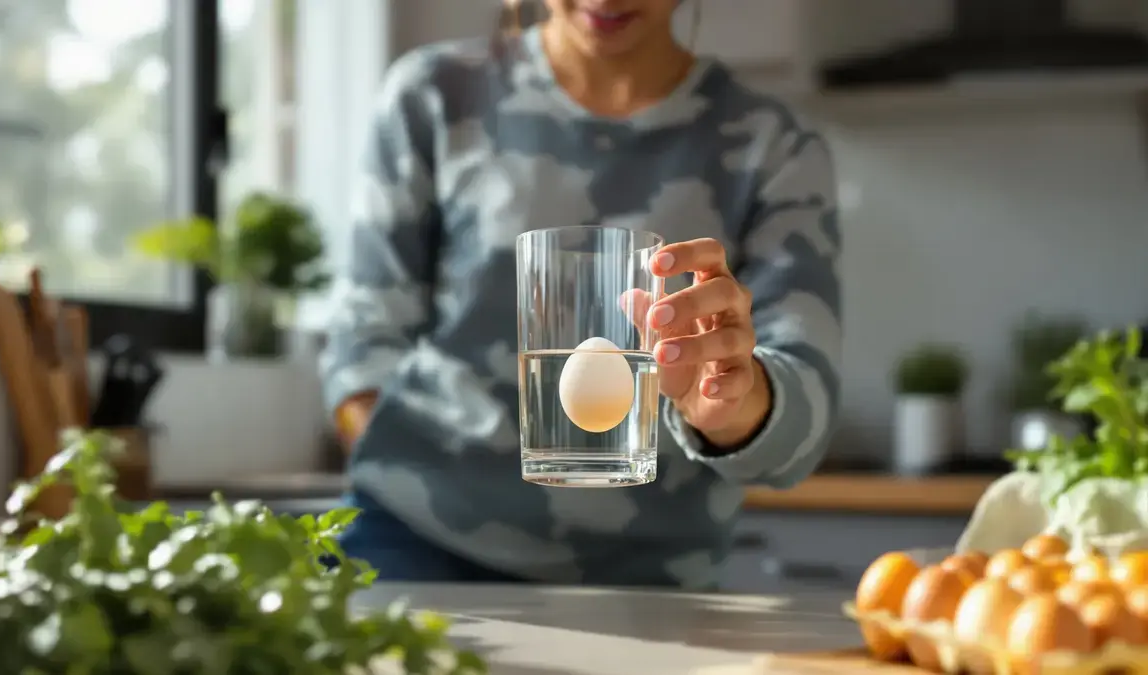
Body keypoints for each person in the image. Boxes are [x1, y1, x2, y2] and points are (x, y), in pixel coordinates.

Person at [320, 0, 841, 590]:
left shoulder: (774, 146)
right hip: (414, 542)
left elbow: (805, 409)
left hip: (649, 578)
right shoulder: (435, 94)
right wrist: (399, 462)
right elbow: (363, 336)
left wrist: (734, 406)